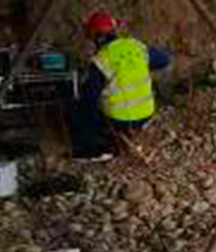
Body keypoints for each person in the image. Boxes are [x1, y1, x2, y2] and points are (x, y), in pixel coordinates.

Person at [71, 11, 171, 161]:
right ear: (115, 30)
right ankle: (132, 128)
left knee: (82, 105)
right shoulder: (136, 46)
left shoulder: (102, 59)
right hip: (146, 114)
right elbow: (164, 60)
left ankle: (92, 149)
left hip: (120, 119)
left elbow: (89, 96)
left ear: (94, 36)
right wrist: (134, 68)